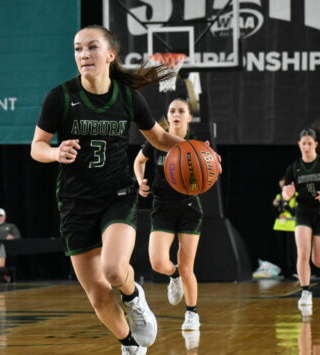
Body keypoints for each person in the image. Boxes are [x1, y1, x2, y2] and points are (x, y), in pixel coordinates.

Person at [30, 24, 188, 354]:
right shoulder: (60, 97)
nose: (83, 54)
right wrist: (55, 152)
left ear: (110, 55)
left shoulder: (128, 96)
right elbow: (37, 147)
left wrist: (194, 149)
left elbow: (158, 137)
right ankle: (129, 345)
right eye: (77, 49)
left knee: (114, 270)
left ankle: (134, 296)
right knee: (98, 294)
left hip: (118, 194)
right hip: (75, 202)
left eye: (91, 47)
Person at [133, 98, 203, 331]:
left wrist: (215, 164)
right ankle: (173, 277)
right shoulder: (156, 139)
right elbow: (138, 161)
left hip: (188, 208)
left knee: (187, 267)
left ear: (188, 117)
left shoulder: (196, 145)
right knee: (158, 262)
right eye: (172, 110)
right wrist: (140, 181)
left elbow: (211, 172)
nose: (175, 114)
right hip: (162, 207)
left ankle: (192, 313)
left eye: (181, 111)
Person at [281, 124, 320, 310]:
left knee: (318, 261)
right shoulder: (294, 168)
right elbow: (285, 193)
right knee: (302, 253)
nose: (306, 147)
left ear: (315, 144)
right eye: (303, 144)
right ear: (299, 144)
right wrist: (288, 194)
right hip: (303, 212)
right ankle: (305, 291)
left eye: (309, 143)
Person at [272, 176, 298, 278]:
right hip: (279, 226)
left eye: (285, 185)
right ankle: (284, 271)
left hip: (291, 227)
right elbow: (274, 205)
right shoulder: (279, 196)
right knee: (281, 250)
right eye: (281, 186)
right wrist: (277, 204)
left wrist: (287, 206)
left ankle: (294, 271)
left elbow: (296, 211)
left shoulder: (296, 196)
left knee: (292, 250)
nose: (283, 188)